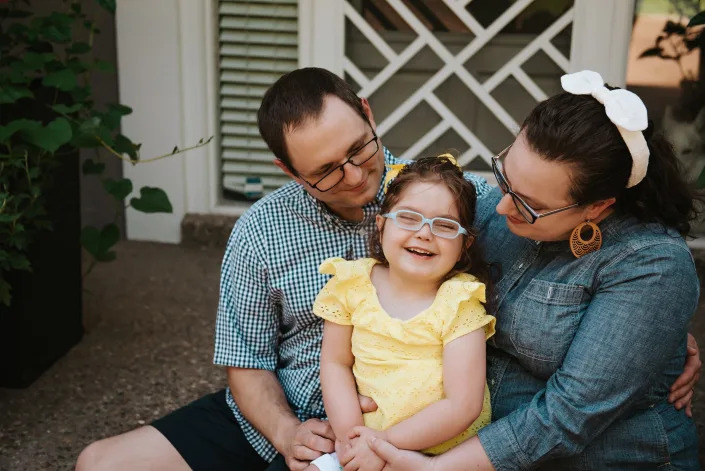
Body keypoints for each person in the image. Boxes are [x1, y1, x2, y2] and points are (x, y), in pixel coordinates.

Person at [74, 68, 701, 471]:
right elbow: (247, 360)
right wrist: (290, 431)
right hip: (306, 420)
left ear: (370, 115)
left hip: (429, 430)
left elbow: (574, 389)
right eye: (325, 171)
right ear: (289, 172)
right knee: (99, 464)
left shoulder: (439, 201)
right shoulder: (265, 229)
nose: (355, 177)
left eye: (359, 150)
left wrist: (660, 338)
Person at [359, 70, 703, 470]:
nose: (501, 207)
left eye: (527, 204)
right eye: (504, 176)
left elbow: (568, 415)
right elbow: (413, 183)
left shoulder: (651, 266)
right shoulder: (496, 204)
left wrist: (437, 468)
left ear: (597, 207)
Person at [307, 156, 496, 471]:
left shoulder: (459, 302)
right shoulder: (351, 284)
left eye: (445, 225)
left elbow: (463, 405)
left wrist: (381, 445)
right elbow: (335, 363)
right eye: (409, 218)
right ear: (381, 225)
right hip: (361, 440)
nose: (424, 233)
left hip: (437, 455)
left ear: (465, 245)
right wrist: (352, 438)